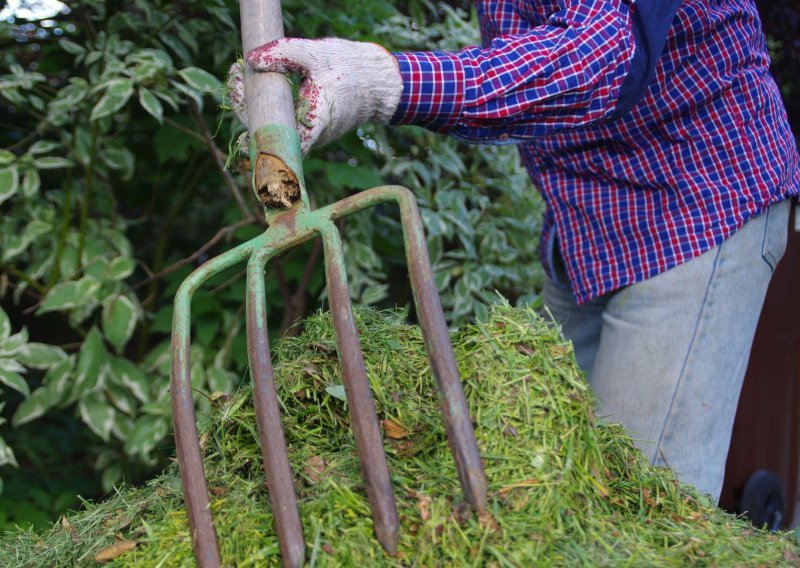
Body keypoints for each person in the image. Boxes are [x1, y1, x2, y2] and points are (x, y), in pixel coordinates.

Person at [230, 0, 800, 502]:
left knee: (642, 504)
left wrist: (381, 81)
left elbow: (590, 58)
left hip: (694, 201)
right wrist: (293, 79)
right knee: (549, 479)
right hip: (587, 221)